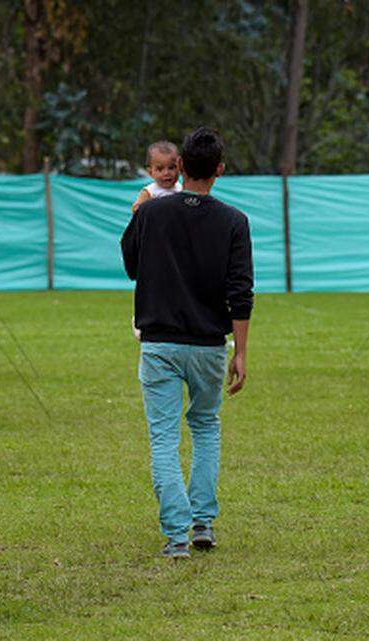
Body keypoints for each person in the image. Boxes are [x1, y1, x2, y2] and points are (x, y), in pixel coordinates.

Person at [120, 126, 254, 560]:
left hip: (159, 343)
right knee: (205, 426)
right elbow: (241, 292)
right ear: (220, 169)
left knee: (163, 438)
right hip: (210, 345)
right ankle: (202, 523)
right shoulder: (235, 222)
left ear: (180, 166)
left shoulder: (149, 213)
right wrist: (241, 352)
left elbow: (131, 266)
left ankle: (176, 536)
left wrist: (138, 215)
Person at [129, 140, 182, 340]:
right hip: (155, 249)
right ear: (150, 171)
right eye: (160, 169)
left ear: (180, 166)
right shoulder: (150, 192)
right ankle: (141, 319)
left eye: (172, 167)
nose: (167, 173)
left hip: (176, 248)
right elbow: (137, 210)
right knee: (153, 286)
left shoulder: (181, 190)